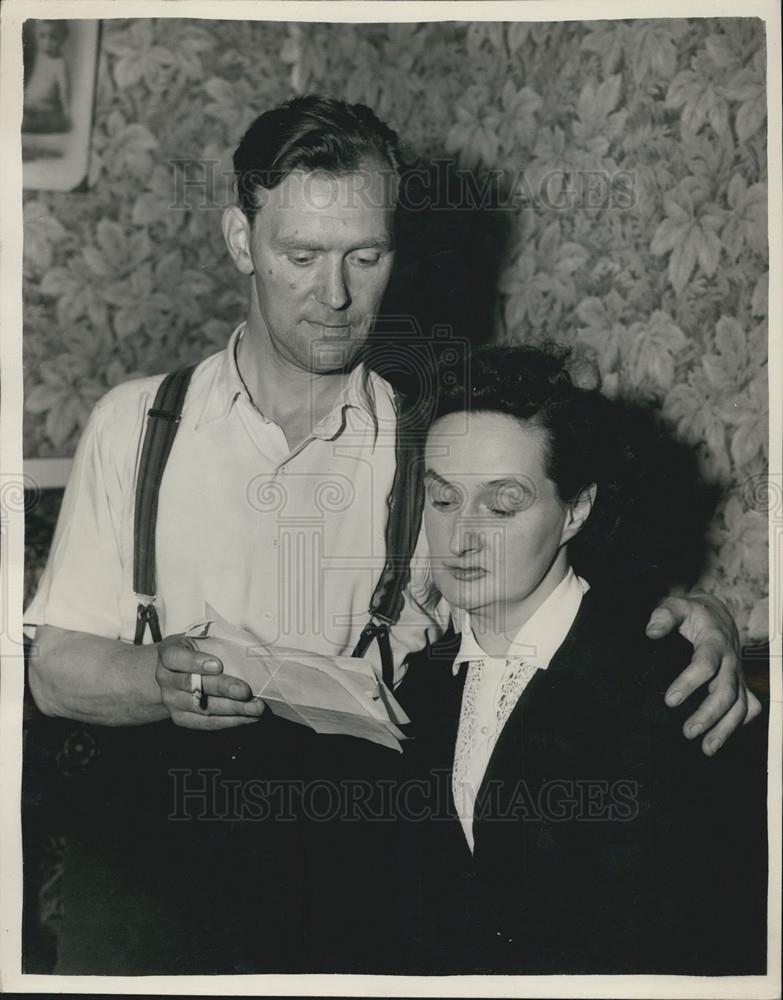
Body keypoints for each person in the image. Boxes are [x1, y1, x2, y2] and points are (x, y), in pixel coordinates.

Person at [24, 95, 758, 973]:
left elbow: (549, 583)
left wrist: (696, 616)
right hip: (152, 836)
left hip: (353, 845)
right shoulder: (134, 425)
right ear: (238, 239)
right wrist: (156, 676)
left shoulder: (434, 439)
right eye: (299, 257)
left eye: (364, 257)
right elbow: (54, 670)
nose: (334, 297)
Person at [394, 345, 768, 975]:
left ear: (576, 510)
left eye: (502, 504)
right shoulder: (421, 682)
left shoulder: (672, 683)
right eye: (443, 499)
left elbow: (697, 944)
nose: (460, 538)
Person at [23, 20, 71, 135]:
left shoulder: (59, 63)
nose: (47, 42)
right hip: (30, 103)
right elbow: (35, 80)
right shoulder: (39, 56)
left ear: (63, 38)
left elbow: (65, 89)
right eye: (42, 36)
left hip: (47, 107)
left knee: (27, 121)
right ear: (35, 35)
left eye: (53, 38)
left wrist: (67, 113)